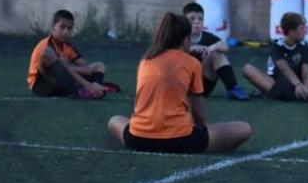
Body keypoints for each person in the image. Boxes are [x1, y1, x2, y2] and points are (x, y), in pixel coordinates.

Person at [107, 12, 251, 153]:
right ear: (186, 39)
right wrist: (203, 133)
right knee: (244, 129)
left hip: (137, 139)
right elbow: (198, 115)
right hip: (179, 140)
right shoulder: (192, 63)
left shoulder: (146, 60)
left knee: (114, 120)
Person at [241, 12, 308, 102]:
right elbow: (284, 68)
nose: (305, 31)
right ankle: (307, 95)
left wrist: (305, 86)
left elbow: (305, 70)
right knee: (247, 69)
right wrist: (297, 85)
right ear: (292, 32)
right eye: (302, 29)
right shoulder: (277, 45)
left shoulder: (303, 45)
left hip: (300, 83)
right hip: (278, 85)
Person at [27, 9, 118, 99]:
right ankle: (83, 90)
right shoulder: (47, 46)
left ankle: (96, 86)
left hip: (62, 79)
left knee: (99, 65)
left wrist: (72, 68)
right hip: (41, 85)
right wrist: (88, 85)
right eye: (62, 27)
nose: (66, 31)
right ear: (53, 26)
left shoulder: (67, 46)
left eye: (69, 28)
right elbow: (64, 70)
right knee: (54, 59)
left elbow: (86, 68)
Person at [182, 2, 249, 101]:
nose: (196, 22)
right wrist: (189, 50)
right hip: (183, 85)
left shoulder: (207, 37)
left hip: (203, 85)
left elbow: (225, 47)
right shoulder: (179, 37)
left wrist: (212, 47)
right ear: (183, 22)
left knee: (216, 53)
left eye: (200, 19)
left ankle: (233, 88)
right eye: (192, 19)